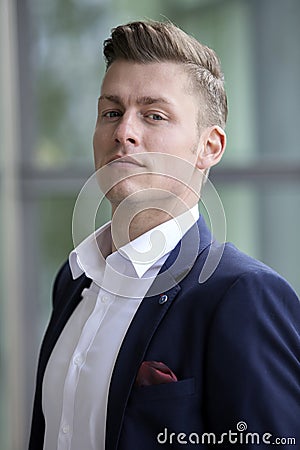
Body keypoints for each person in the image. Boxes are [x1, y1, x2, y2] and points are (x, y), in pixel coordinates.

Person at [29, 20, 300, 449]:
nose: (123, 132)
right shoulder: (74, 279)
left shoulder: (243, 295)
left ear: (208, 147)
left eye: (154, 115)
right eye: (111, 112)